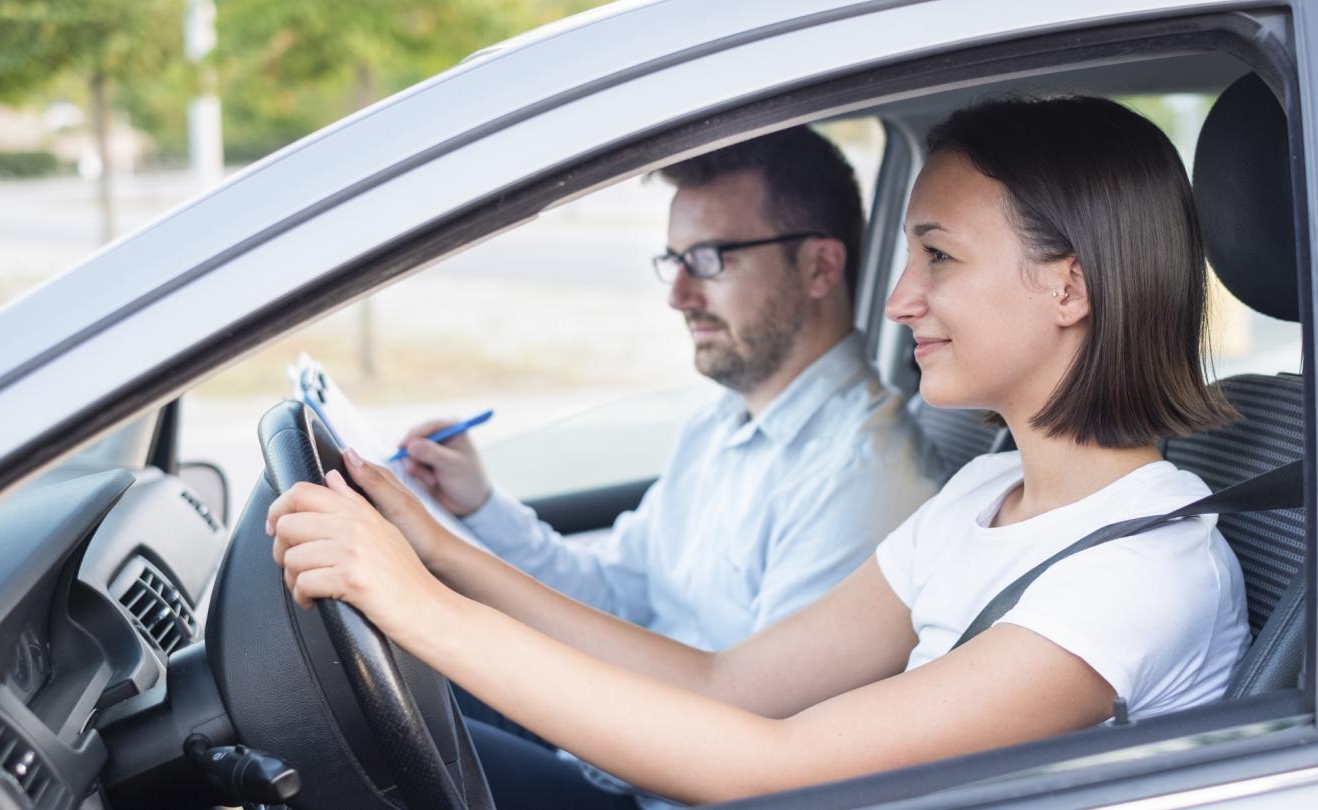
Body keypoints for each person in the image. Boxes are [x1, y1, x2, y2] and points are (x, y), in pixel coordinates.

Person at [266, 96, 1251, 808]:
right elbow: (722, 684)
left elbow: (765, 767)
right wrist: (440, 554)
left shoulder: (1141, 575)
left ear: (1069, 288)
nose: (900, 298)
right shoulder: (990, 491)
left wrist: (416, 605)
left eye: (938, 258)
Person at [397, 128, 942, 659]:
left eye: (709, 259)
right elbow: (614, 595)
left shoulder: (860, 480)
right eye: (676, 261)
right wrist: (479, 505)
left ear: (819, 267)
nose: (678, 297)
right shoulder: (719, 427)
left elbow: (754, 722)